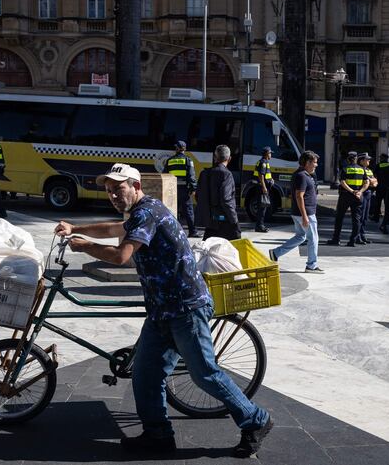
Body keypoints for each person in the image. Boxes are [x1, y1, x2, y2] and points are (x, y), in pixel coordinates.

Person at [54, 163, 272, 457]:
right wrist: (76, 227)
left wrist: (85, 246)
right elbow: (115, 228)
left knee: (204, 373)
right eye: (109, 191)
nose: (114, 196)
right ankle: (157, 435)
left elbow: (121, 255)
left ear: (136, 186)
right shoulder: (141, 212)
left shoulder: (147, 212)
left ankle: (256, 420)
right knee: (145, 374)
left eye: (118, 188)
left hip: (185, 307)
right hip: (162, 311)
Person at [269, 151, 323, 273]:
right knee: (313, 238)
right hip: (306, 213)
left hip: (299, 212)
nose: (316, 165)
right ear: (307, 163)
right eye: (314, 163)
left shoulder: (302, 174)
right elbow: (299, 196)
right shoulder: (302, 176)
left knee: (300, 237)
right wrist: (305, 216)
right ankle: (311, 265)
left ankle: (276, 253)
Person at [327, 152, 369, 247]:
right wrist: (360, 191)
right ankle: (352, 241)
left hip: (345, 196)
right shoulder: (362, 169)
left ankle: (336, 239)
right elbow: (366, 182)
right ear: (356, 159)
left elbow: (342, 182)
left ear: (348, 159)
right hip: (358, 197)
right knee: (356, 219)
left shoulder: (345, 169)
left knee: (339, 218)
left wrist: (352, 191)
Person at [202, 145, 241, 241]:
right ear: (229, 158)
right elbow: (226, 199)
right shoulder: (227, 174)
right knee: (235, 248)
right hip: (225, 221)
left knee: (207, 249)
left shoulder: (205, 173)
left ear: (215, 158)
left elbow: (199, 196)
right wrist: (234, 220)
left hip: (211, 221)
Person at [163, 140, 199, 238]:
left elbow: (164, 175)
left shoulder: (170, 160)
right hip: (184, 190)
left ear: (177, 149)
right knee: (188, 211)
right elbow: (191, 176)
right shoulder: (188, 160)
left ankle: (174, 232)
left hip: (172, 190)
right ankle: (192, 232)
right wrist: (193, 188)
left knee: (173, 211)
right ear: (184, 149)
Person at [356, 153, 377, 244]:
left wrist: (372, 181)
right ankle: (357, 236)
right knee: (360, 216)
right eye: (367, 159)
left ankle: (362, 235)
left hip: (369, 194)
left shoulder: (369, 170)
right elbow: (369, 181)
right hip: (363, 194)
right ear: (361, 161)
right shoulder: (359, 170)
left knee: (365, 217)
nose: (369, 161)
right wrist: (371, 181)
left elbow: (375, 182)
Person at [253, 146, 274, 233]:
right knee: (262, 207)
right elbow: (261, 176)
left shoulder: (263, 162)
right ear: (266, 154)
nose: (271, 155)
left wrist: (271, 179)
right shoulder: (263, 163)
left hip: (262, 187)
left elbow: (265, 175)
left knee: (262, 207)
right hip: (262, 188)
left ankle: (260, 225)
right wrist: (264, 187)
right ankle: (260, 226)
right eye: (270, 153)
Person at [370, 153, 389, 221]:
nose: (380, 159)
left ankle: (376, 218)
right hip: (388, 188)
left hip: (380, 187)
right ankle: (387, 219)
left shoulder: (378, 165)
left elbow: (374, 174)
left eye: (381, 158)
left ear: (383, 158)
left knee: (378, 203)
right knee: (387, 204)